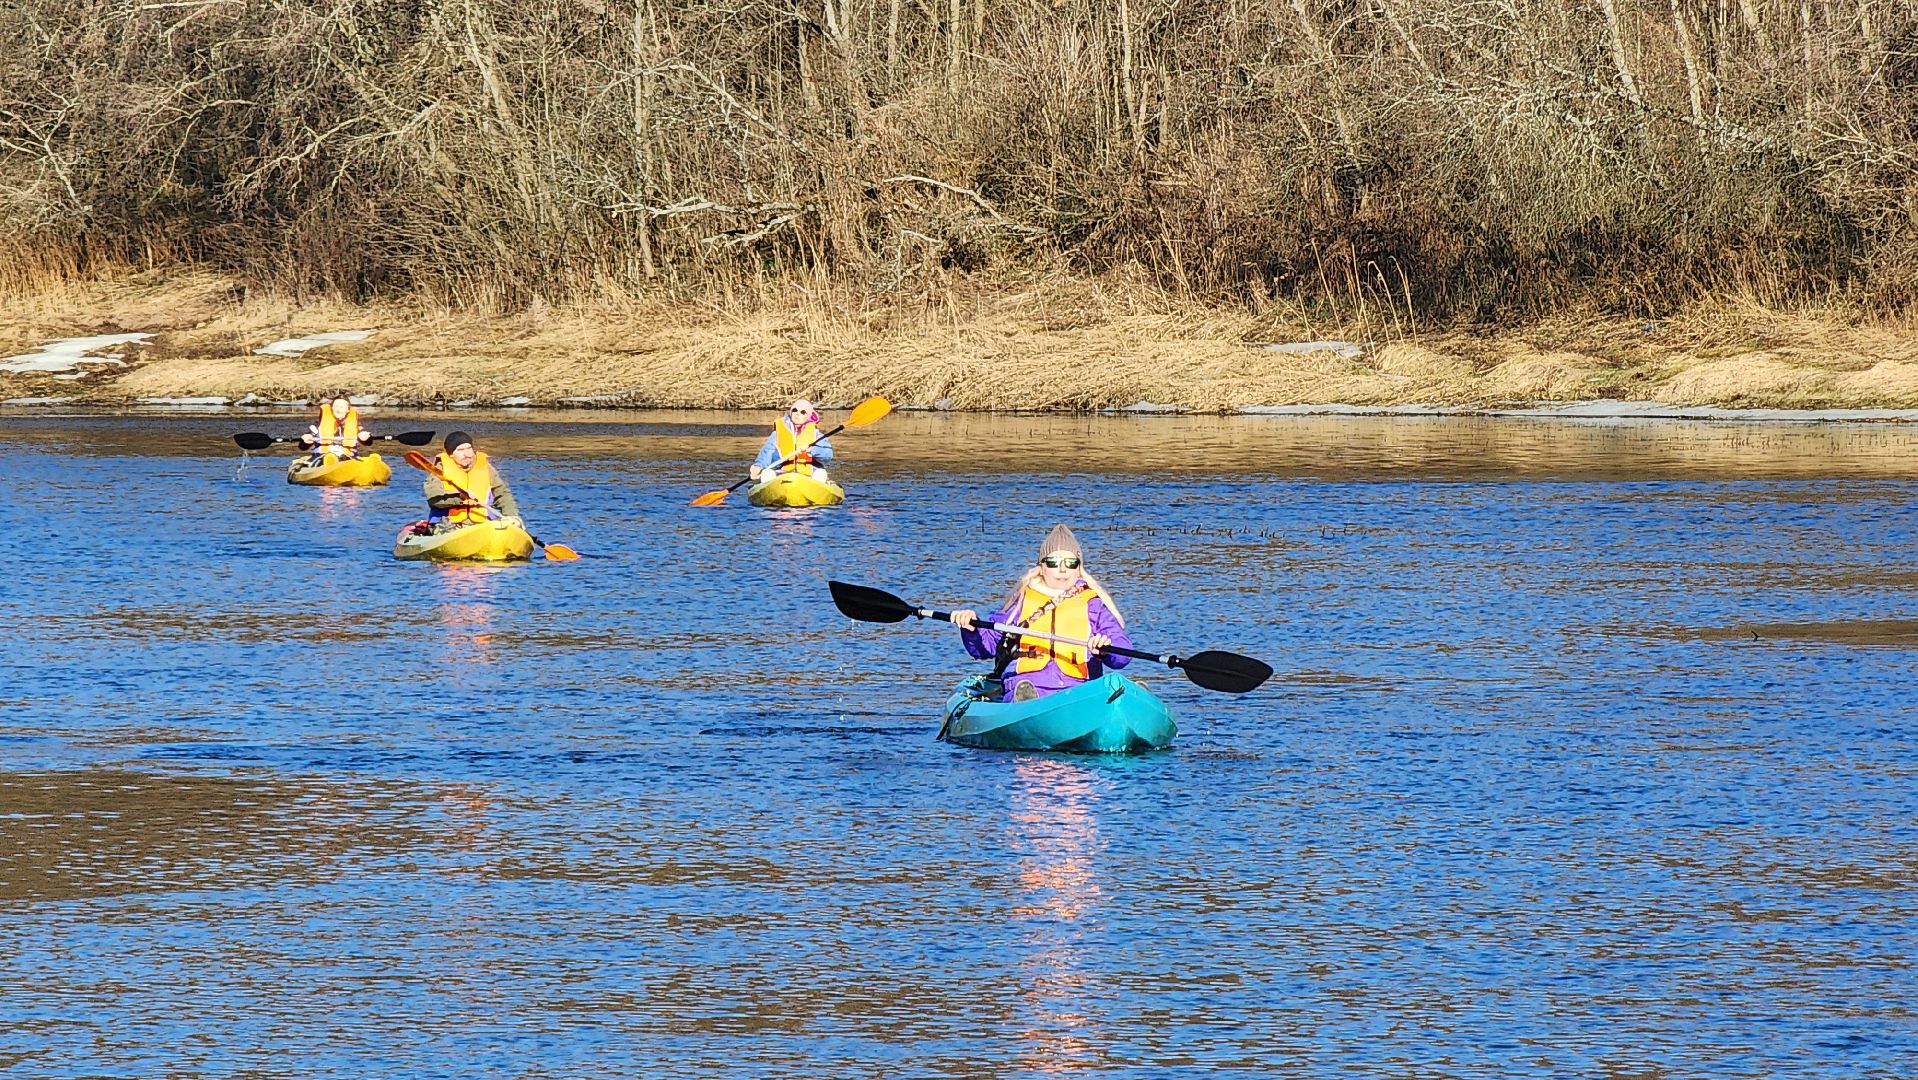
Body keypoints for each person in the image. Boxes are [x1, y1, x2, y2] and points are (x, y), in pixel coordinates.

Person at [950, 525, 1133, 703]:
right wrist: (971, 629)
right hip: (1028, 685)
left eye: (1070, 563)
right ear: (1042, 567)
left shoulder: (1093, 604)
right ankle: (1026, 705)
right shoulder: (1021, 601)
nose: (1063, 570)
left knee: (1104, 687)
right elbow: (985, 647)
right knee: (1025, 691)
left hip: (1078, 689)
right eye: (1054, 563)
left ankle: (1131, 702)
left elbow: (1122, 655)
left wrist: (1106, 649)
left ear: (1079, 568)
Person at [425, 431, 518, 530]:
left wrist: (512, 516)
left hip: (482, 523)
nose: (467, 454)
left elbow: (502, 494)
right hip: (448, 524)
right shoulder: (439, 470)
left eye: (469, 448)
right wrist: (460, 497)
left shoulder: (485, 468)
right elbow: (434, 500)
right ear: (451, 454)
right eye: (460, 450)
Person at [749, 398, 833, 483]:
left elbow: (827, 455)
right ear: (791, 412)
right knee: (767, 473)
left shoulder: (816, 434)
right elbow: (767, 452)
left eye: (803, 412)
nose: (797, 414)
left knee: (821, 473)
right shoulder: (777, 433)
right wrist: (758, 466)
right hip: (782, 472)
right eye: (795, 410)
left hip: (810, 473)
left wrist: (811, 450)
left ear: (808, 415)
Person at [301, 397, 372, 460]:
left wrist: (365, 438)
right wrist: (306, 440)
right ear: (332, 408)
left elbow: (368, 442)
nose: (338, 410)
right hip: (322, 457)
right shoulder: (317, 426)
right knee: (329, 459)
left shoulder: (357, 426)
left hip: (348, 458)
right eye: (336, 406)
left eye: (342, 407)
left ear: (348, 409)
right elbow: (302, 447)